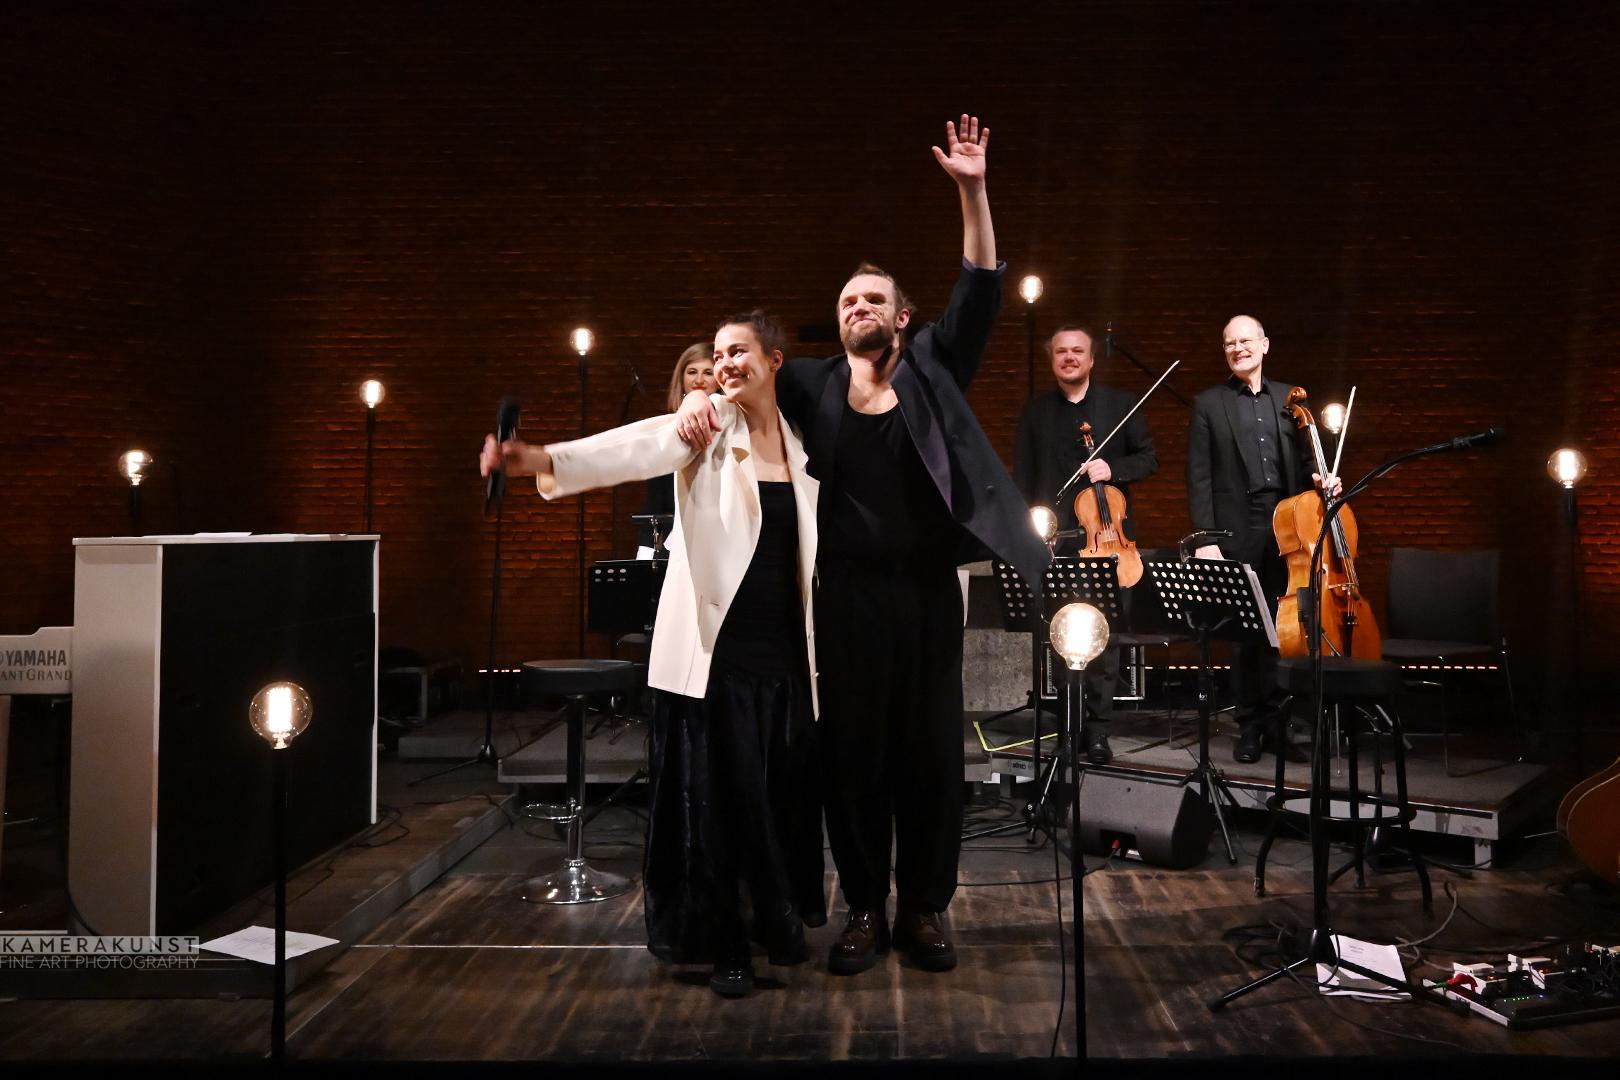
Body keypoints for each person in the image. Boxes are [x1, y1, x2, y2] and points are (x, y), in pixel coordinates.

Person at [674, 116, 1049, 976]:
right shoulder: (812, 384)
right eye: (848, 302)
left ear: (902, 316)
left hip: (925, 594)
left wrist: (972, 189)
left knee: (929, 758)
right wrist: (699, 394)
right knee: (853, 759)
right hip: (842, 599)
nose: (858, 309)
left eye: (873, 300)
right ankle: (865, 908)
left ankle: (924, 907)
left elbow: (980, 288)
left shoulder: (934, 367)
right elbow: (742, 380)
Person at [480, 312, 823, 999]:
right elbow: (631, 450)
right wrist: (540, 459)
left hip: (783, 652)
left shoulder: (800, 442)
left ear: (774, 360)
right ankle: (724, 941)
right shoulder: (707, 423)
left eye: (739, 351)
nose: (724, 364)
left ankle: (768, 917)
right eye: (717, 354)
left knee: (771, 797)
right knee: (720, 806)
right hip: (714, 651)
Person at [1185, 315, 1338, 764]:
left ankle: (1277, 724)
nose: (1238, 348)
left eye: (1245, 340)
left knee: (1282, 629)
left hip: (1287, 522)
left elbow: (1309, 462)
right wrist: (1205, 539)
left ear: (1265, 345)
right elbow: (1199, 476)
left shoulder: (1291, 398)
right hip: (1237, 527)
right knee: (1245, 633)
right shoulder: (1209, 403)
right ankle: (1249, 727)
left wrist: (1322, 480)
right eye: (1229, 343)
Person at [1013, 324, 1158, 765]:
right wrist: (1030, 534)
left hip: (1108, 542)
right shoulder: (1036, 412)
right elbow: (1023, 478)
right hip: (1057, 543)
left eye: (1078, 351)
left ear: (1091, 359)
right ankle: (1067, 728)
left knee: (1105, 640)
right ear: (1052, 359)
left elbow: (1148, 458)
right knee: (1062, 638)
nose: (1069, 357)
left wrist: (1112, 469)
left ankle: (1097, 732)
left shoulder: (1120, 405)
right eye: (1061, 351)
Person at [636, 343, 718, 552]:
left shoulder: (732, 427)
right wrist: (646, 551)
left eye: (708, 373)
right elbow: (656, 499)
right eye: (692, 372)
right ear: (681, 379)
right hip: (675, 543)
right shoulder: (666, 431)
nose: (699, 380)